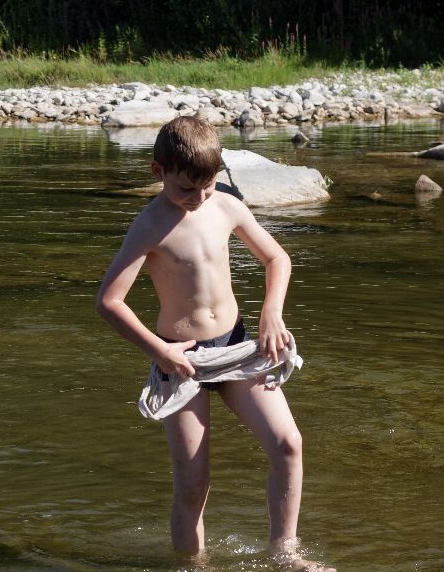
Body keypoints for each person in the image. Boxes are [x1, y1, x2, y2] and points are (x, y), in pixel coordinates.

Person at [96, 115, 320, 565]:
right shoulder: (150, 224)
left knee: (288, 444)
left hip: (236, 348)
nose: (198, 198)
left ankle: (285, 554)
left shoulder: (226, 205)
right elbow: (109, 301)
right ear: (158, 171)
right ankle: (192, 566)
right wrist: (159, 351)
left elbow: (277, 258)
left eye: (208, 185)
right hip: (181, 361)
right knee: (193, 481)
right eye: (185, 188)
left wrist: (271, 313)